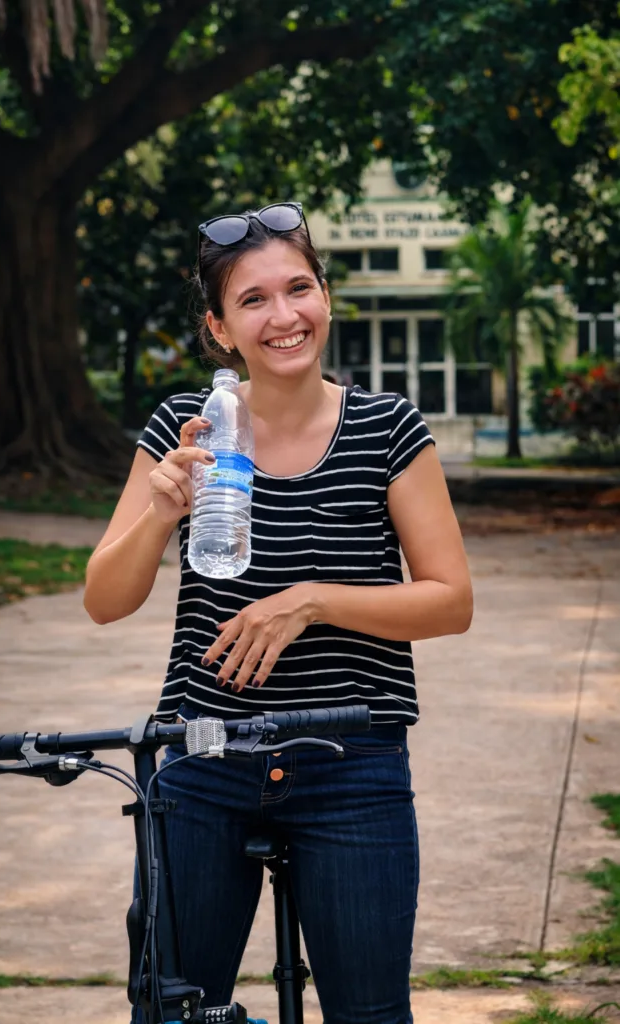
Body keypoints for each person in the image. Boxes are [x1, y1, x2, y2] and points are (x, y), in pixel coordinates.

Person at [83, 202, 473, 1024]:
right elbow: (104, 600)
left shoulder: (387, 428)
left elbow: (449, 601)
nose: (283, 316)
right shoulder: (184, 428)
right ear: (219, 329)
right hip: (201, 758)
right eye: (252, 300)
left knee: (369, 1014)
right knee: (173, 1013)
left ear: (326, 298)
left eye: (298, 288)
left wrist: (311, 602)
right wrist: (161, 512)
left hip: (351, 765)